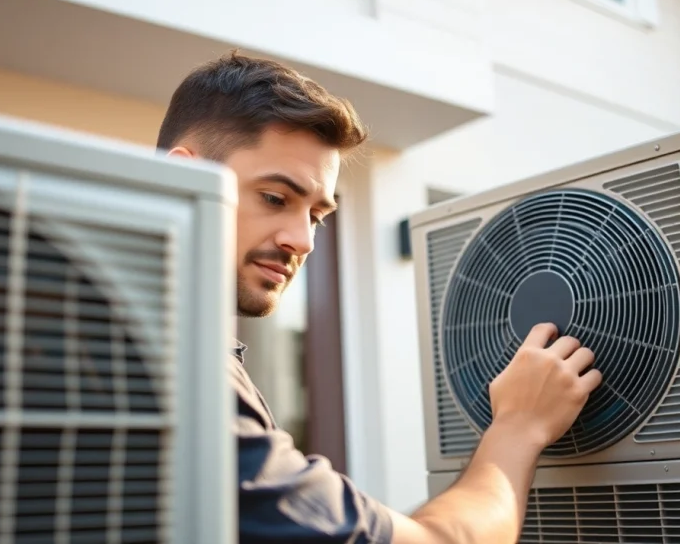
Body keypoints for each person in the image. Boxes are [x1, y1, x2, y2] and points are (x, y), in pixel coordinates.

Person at [159, 51, 603, 544]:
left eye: (316, 217)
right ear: (183, 180)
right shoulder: (175, 365)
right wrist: (518, 427)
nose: (303, 241)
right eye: (275, 198)